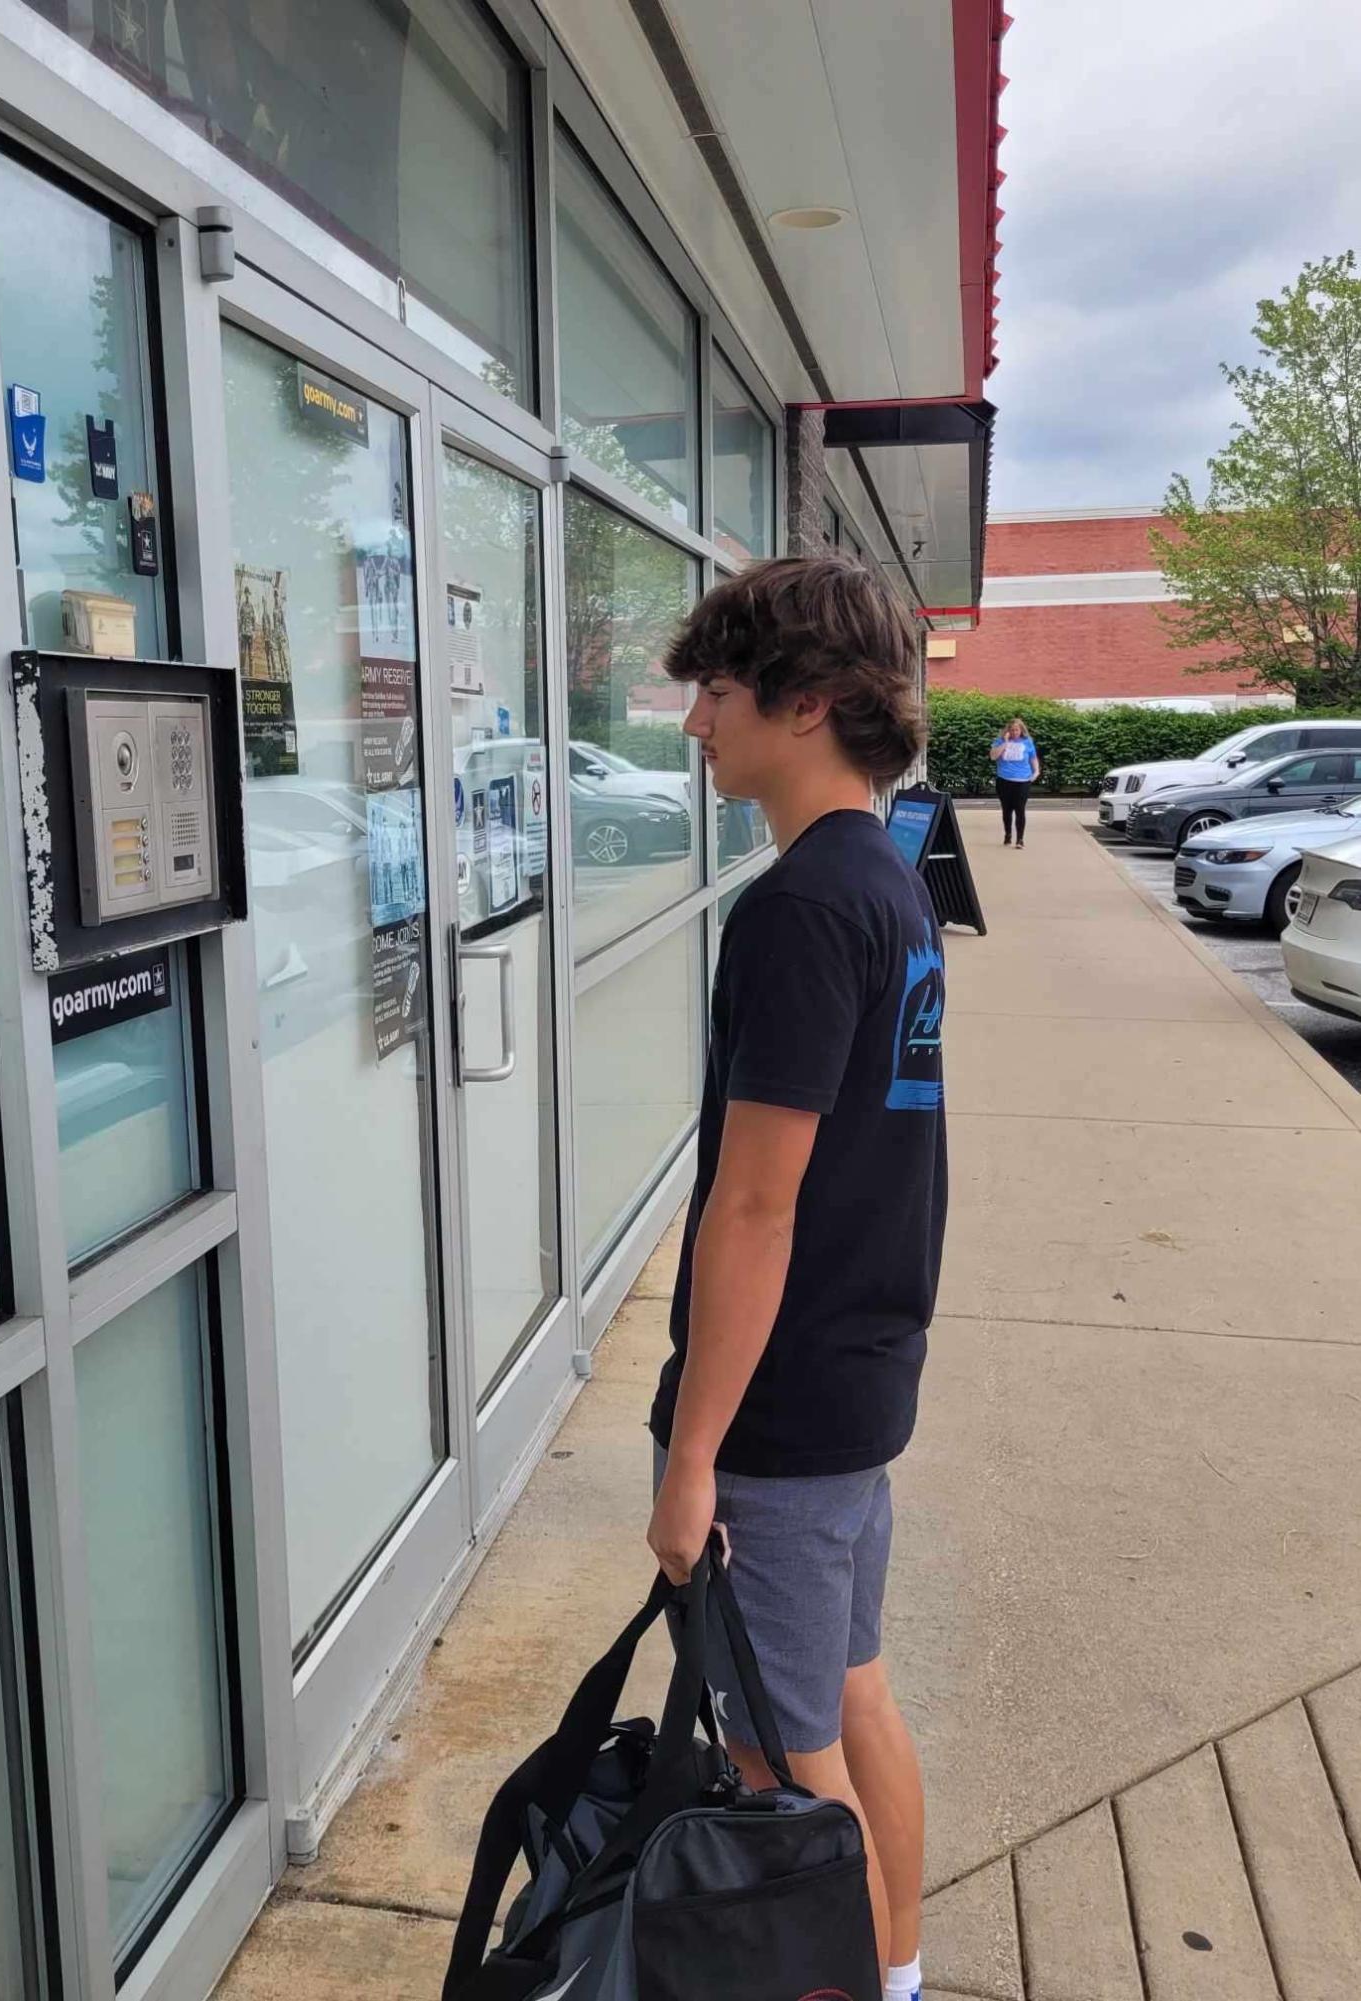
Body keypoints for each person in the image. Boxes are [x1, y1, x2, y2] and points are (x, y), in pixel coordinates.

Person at [646, 554, 946, 2001]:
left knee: (778, 1753)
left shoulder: (797, 909)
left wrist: (692, 1453)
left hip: (780, 1413)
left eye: (714, 689)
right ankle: (892, 1976)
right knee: (846, 1693)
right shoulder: (884, 881)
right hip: (857, 1380)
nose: (693, 721)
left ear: (808, 702)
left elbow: (754, 1208)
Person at [990, 716, 1039, 846]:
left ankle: (1020, 839)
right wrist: (1005, 742)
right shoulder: (999, 741)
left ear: (1021, 730)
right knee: (1007, 810)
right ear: (1007, 731)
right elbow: (993, 756)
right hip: (1004, 780)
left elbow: (1033, 758)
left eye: (1016, 730)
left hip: (1022, 780)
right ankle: (1008, 834)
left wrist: (1036, 771)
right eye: (1011, 730)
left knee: (1020, 809)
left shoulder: (1027, 742)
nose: (1014, 733)